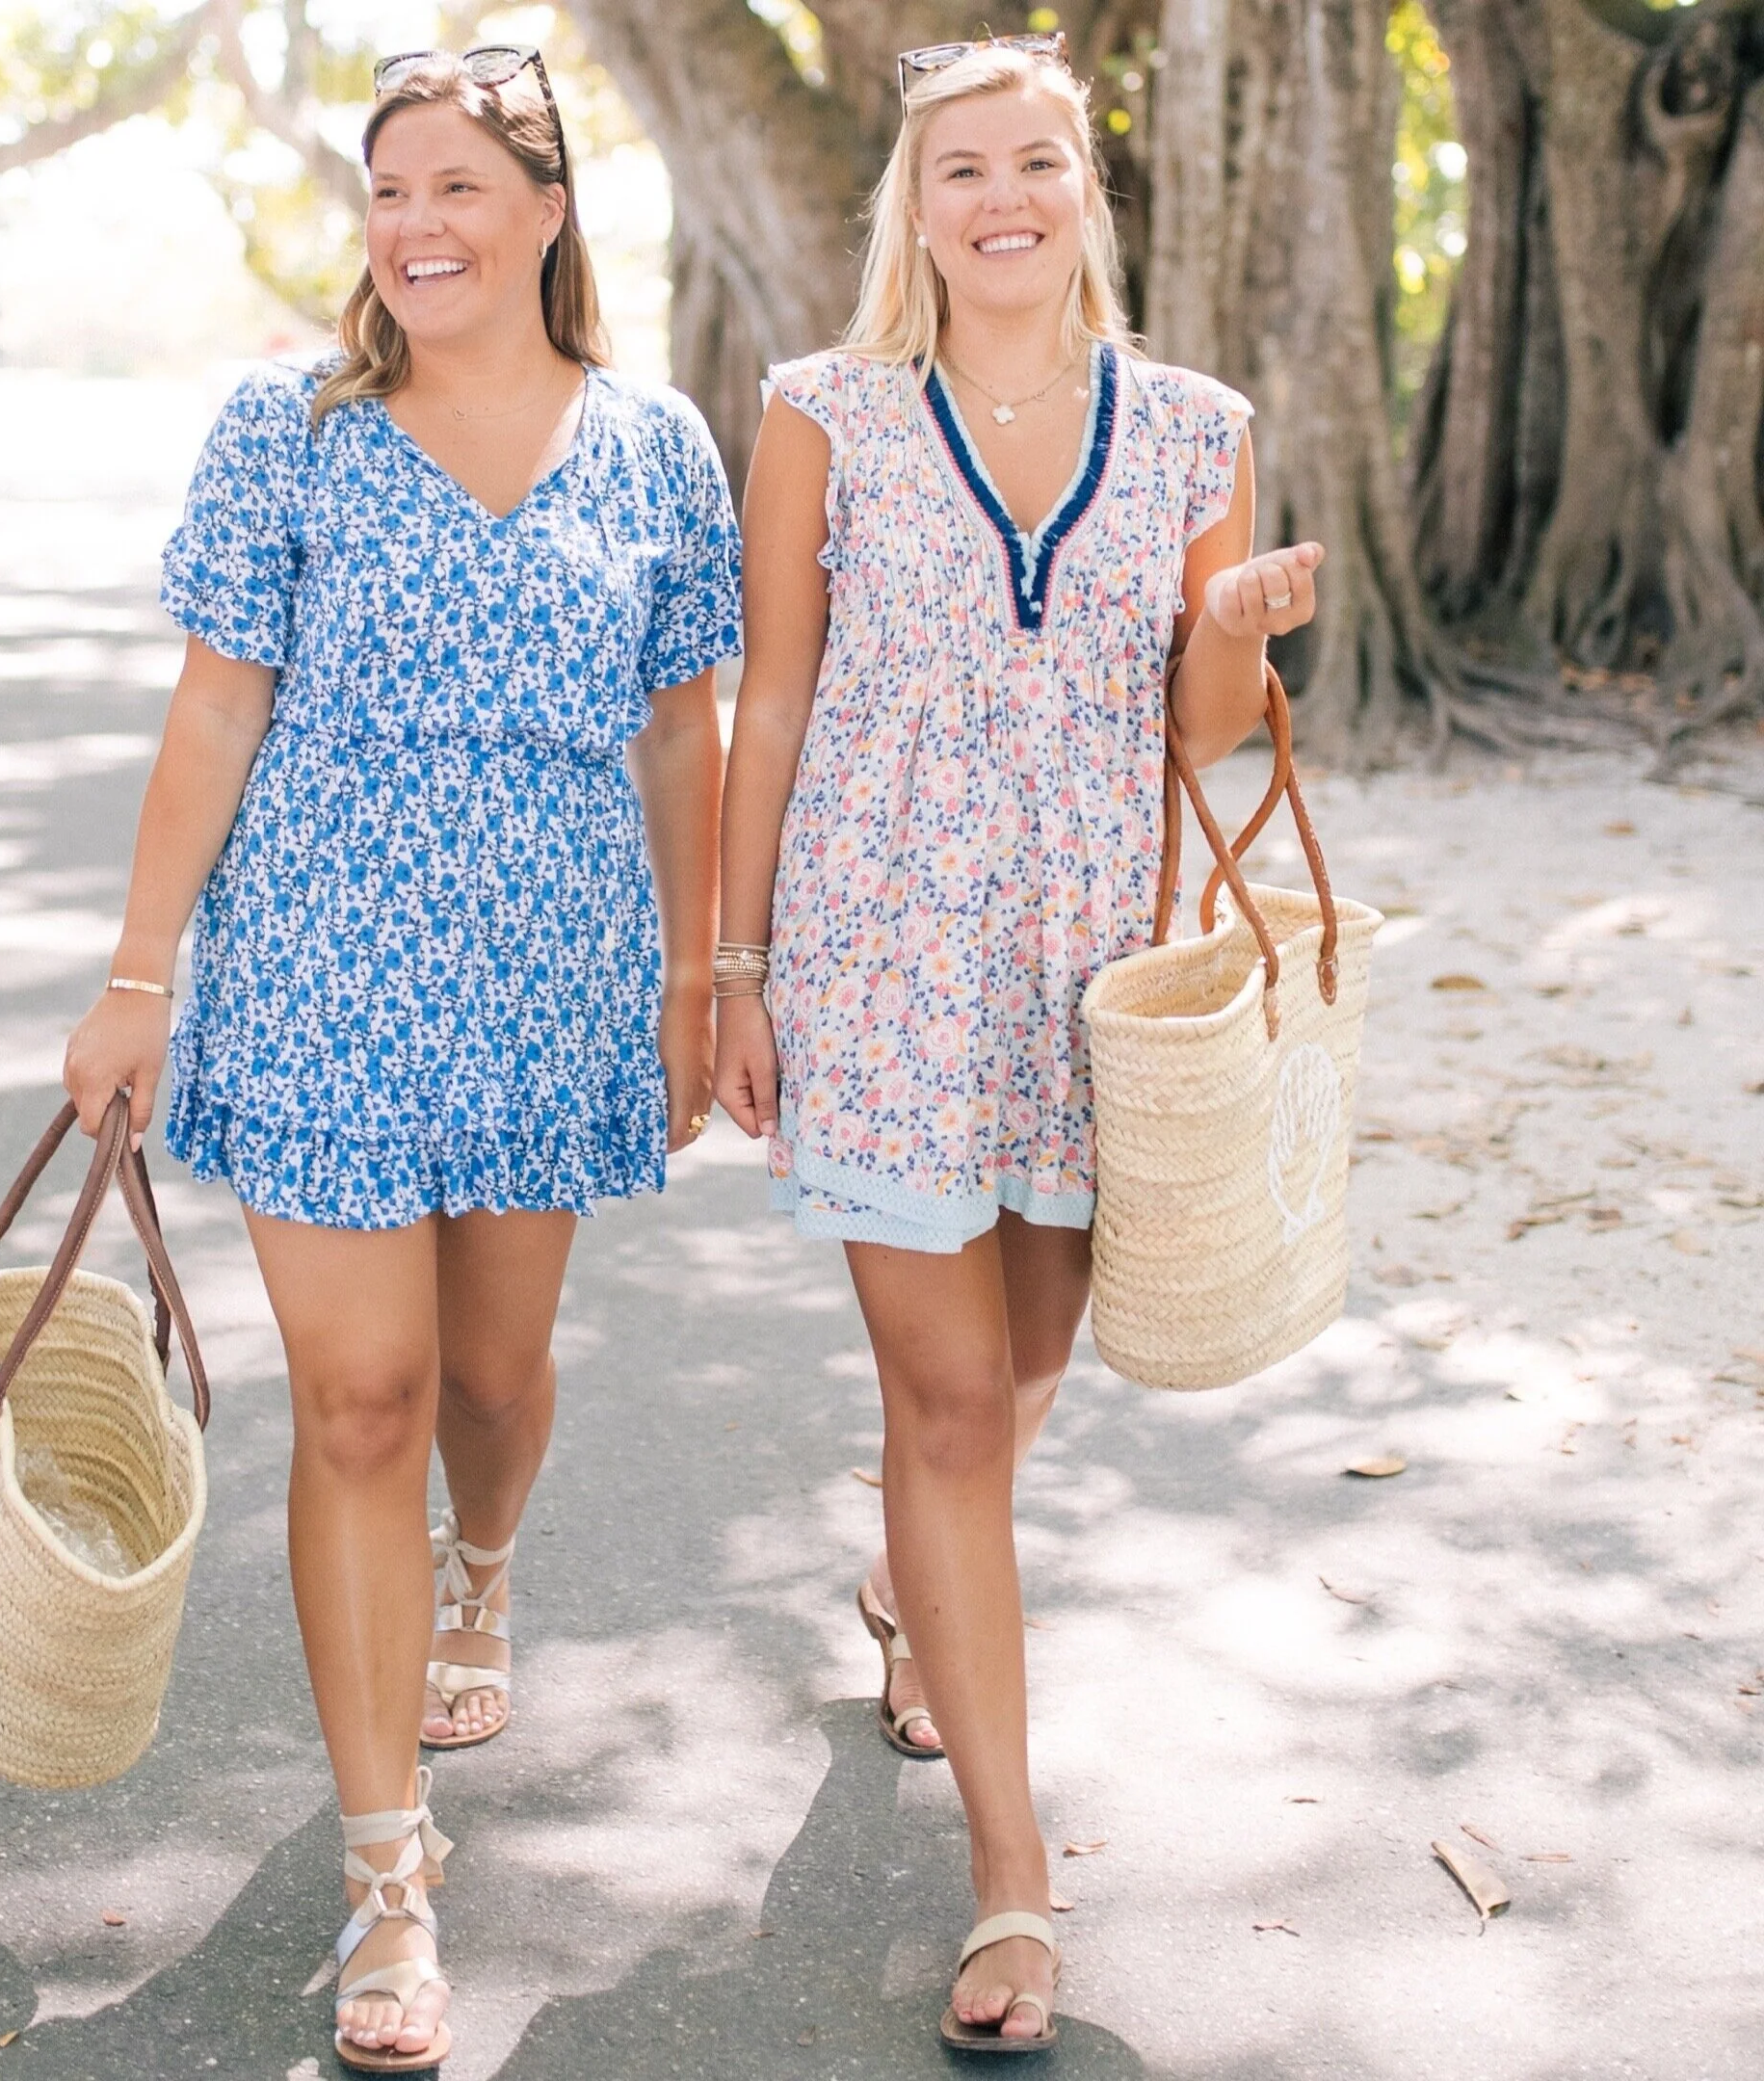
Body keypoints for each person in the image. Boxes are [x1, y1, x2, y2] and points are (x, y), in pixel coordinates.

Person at [63, 46, 740, 2073]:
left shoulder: (660, 446)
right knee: (356, 1400)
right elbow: (210, 716)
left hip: (551, 962)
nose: (418, 226)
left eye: (458, 185)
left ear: (545, 207)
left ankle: (486, 1571)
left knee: (487, 1380)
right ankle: (389, 1878)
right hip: (318, 956)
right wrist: (136, 976)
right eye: (387, 193)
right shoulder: (290, 430)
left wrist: (707, 973)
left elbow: (683, 733)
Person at [713, 34, 1324, 2054]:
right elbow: (774, 706)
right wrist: (731, 970)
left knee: (1034, 1360)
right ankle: (1010, 1877)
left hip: (1085, 975)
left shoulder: (1198, 427)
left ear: (1087, 190)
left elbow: (1206, 731)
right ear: (916, 201)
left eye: (1039, 161)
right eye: (962, 165)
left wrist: (1235, 614)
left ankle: (912, 1587)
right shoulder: (823, 412)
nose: (1003, 195)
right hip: (877, 958)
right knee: (955, 1405)